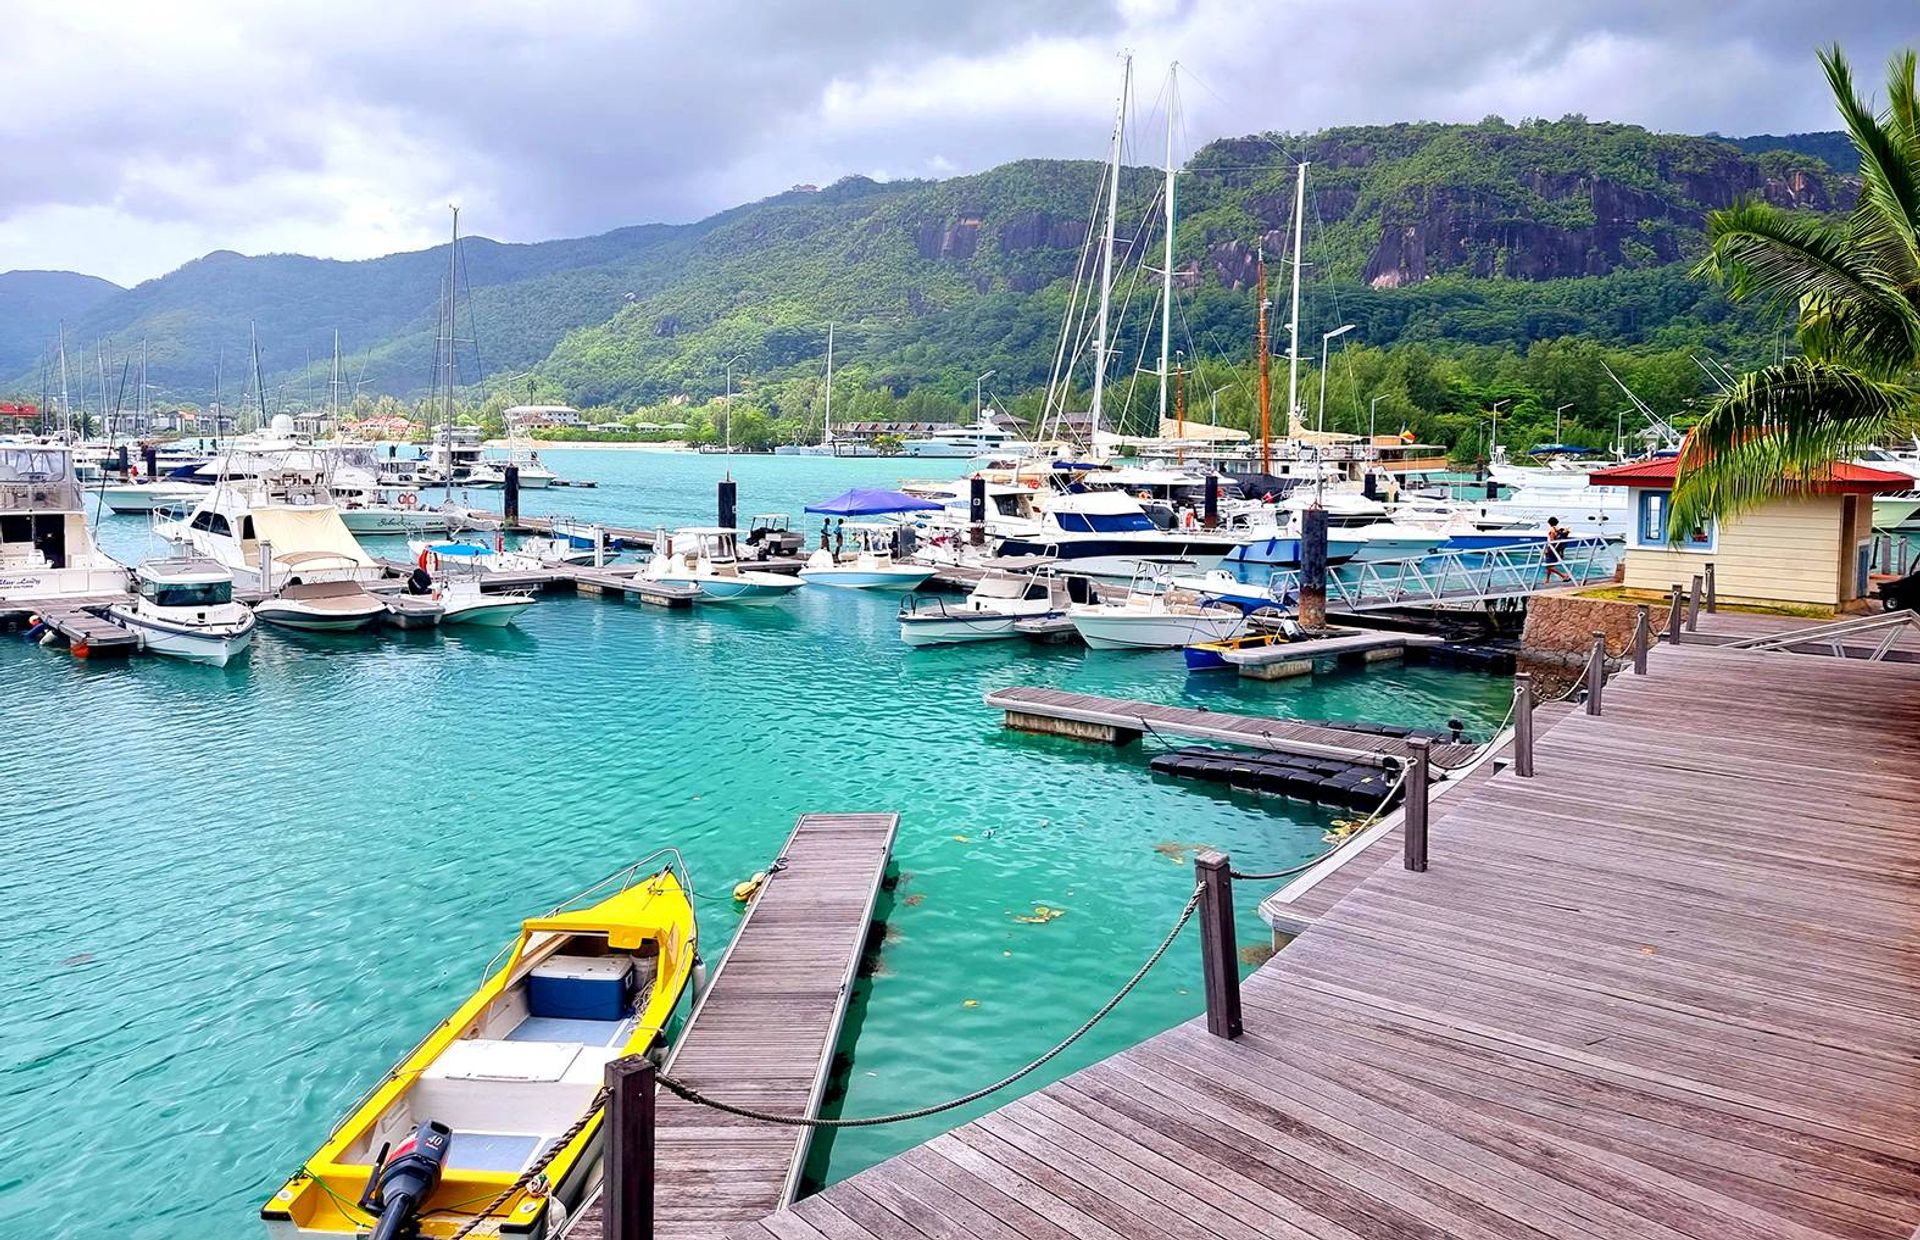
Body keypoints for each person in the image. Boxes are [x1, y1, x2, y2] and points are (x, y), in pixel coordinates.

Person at [1543, 516, 1572, 584]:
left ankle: (1563, 576)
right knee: (1550, 566)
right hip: (1557, 550)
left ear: (1549, 523)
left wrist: (1548, 549)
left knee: (1548, 566)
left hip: (1551, 549)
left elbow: (1552, 541)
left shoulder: (1552, 530)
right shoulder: (1558, 529)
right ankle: (1547, 580)